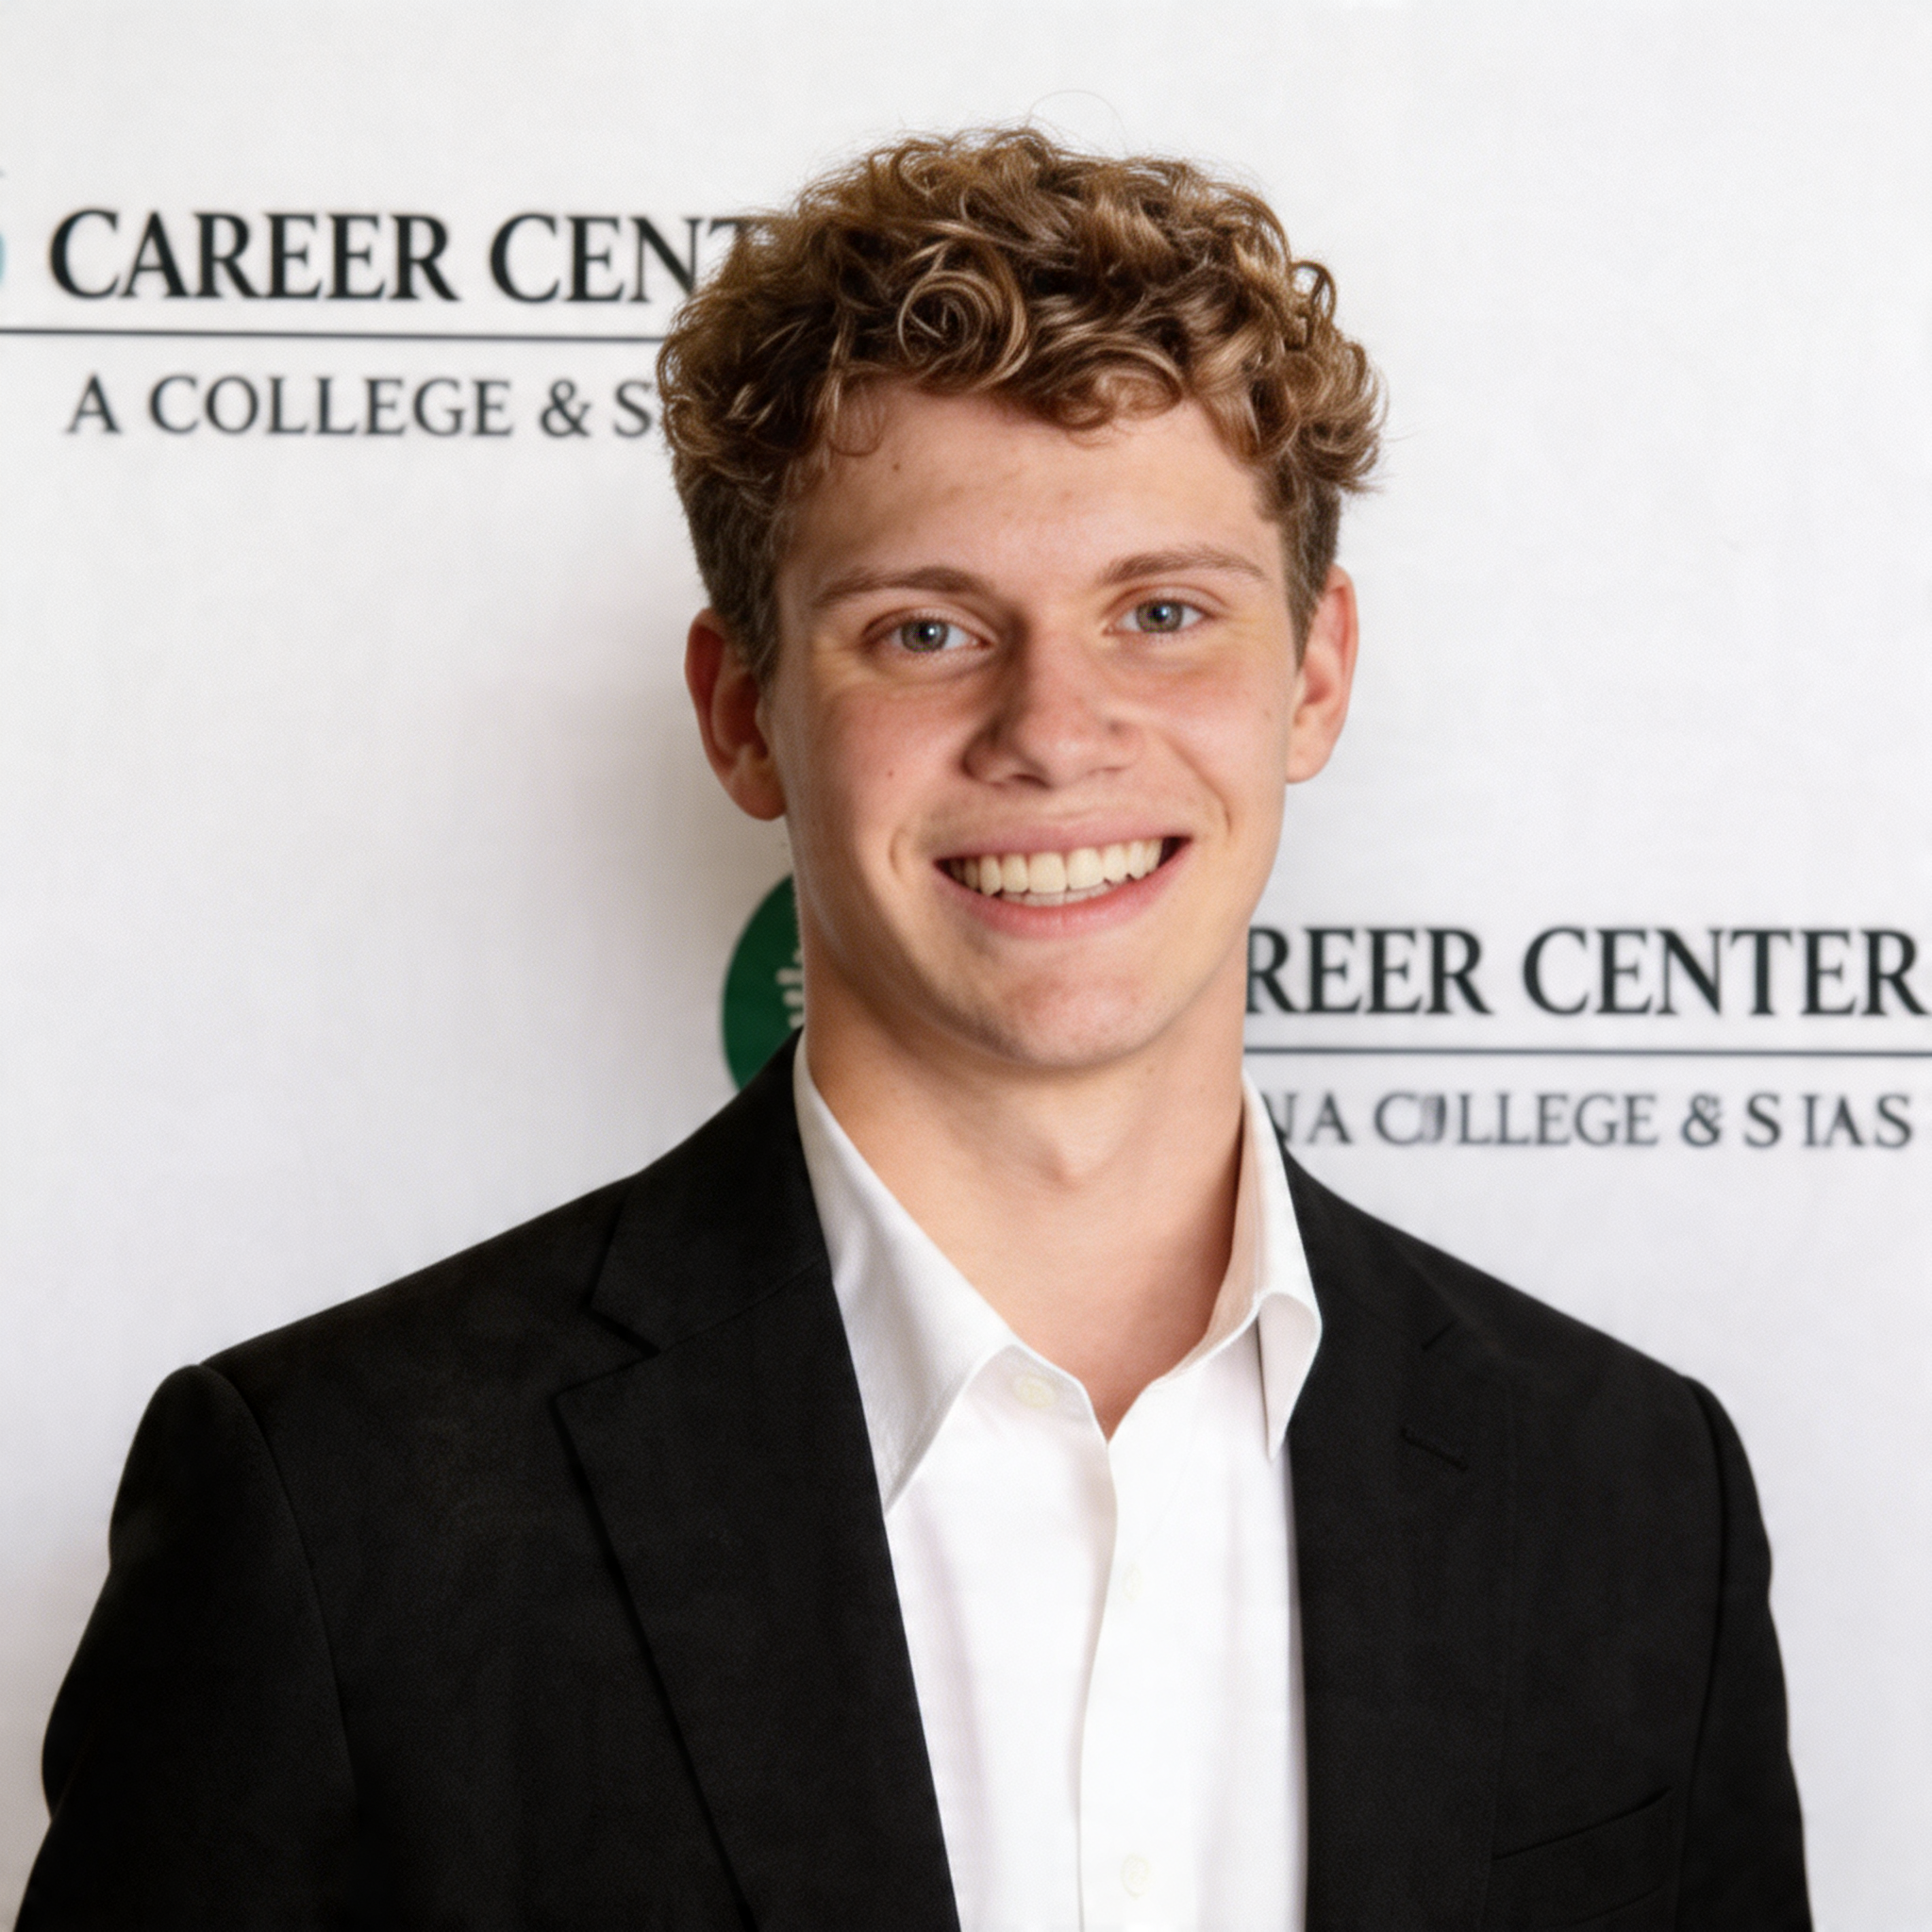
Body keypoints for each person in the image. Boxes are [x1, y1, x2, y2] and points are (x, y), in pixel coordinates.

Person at [20, 129, 1808, 1931]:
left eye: (1164, 613)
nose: (1055, 731)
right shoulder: (340, 1509)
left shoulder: (1633, 1495)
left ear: (1315, 675)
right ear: (743, 711)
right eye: (928, 631)